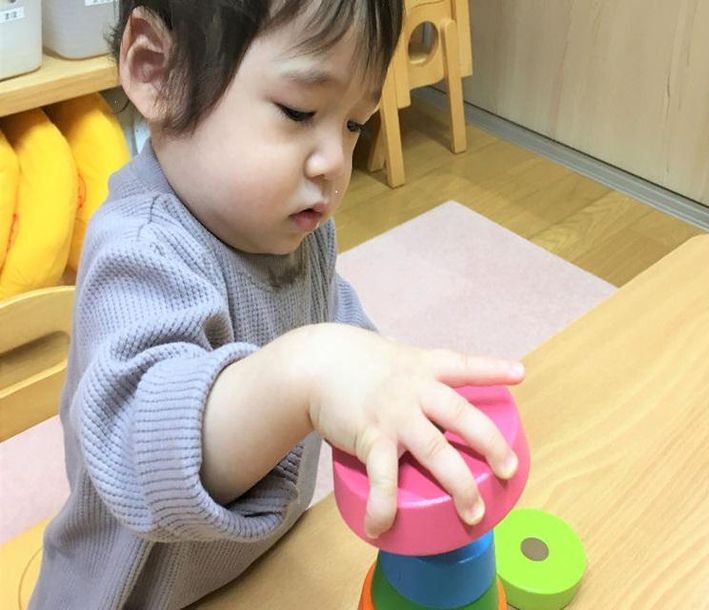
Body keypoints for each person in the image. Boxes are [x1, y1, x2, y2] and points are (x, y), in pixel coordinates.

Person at [30, 1, 525, 607]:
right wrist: (310, 370)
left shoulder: (291, 231)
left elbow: (334, 320)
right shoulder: (140, 250)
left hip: (260, 566)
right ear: (159, 71)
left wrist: (383, 381)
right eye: (299, 111)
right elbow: (141, 461)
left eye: (354, 124)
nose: (334, 164)